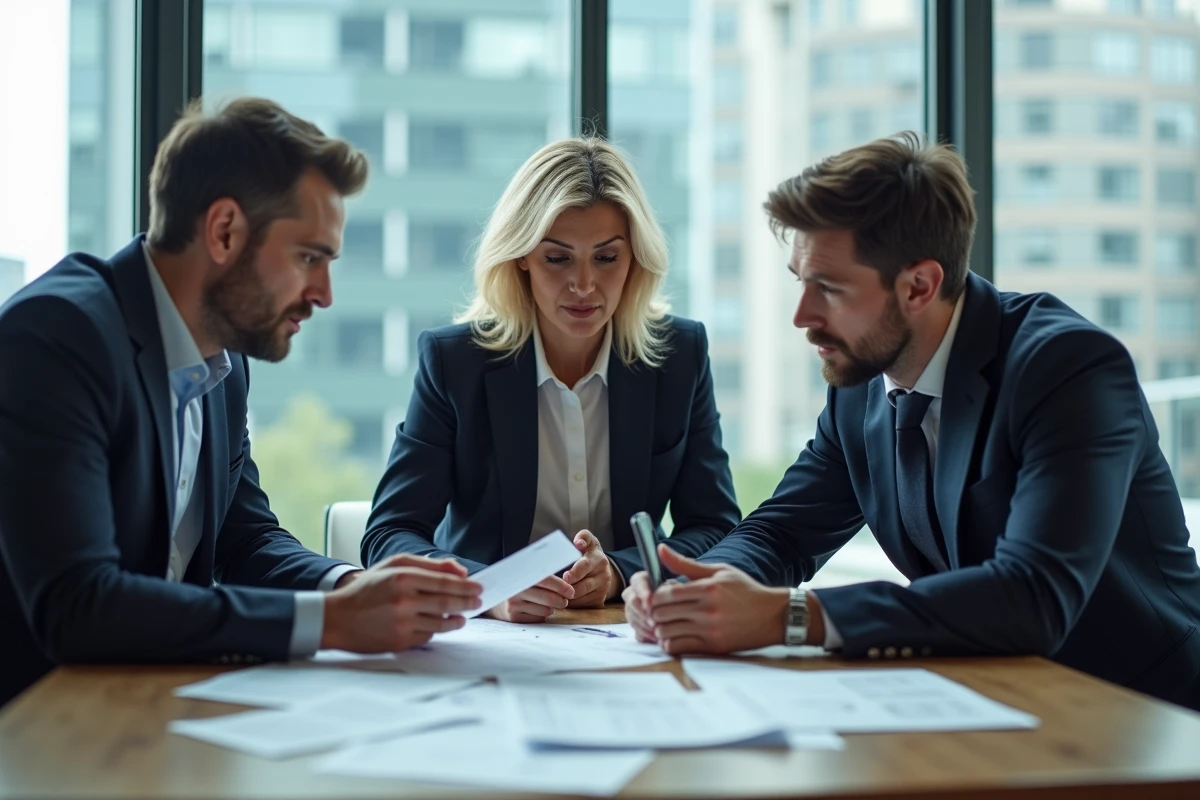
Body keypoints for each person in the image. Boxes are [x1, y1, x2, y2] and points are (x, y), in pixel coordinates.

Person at [623, 132, 1200, 711]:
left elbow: (1033, 596)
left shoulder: (1068, 369)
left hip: (1140, 714)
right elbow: (782, 531)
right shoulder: (863, 382)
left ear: (920, 286)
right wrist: (694, 590)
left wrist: (792, 617)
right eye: (800, 280)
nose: (802, 316)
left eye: (829, 288)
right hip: (986, 699)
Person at [0, 97, 482, 707]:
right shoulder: (58, 336)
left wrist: (354, 585)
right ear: (224, 231)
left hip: (160, 701)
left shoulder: (223, 362)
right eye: (310, 257)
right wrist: (329, 623)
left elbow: (243, 538)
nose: (325, 295)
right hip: (40, 728)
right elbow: (79, 603)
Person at [361, 137, 740, 623]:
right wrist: (488, 590)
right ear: (520, 256)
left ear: (635, 260)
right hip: (493, 641)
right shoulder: (455, 362)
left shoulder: (679, 356)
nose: (583, 285)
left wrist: (619, 575)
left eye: (606, 258)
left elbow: (715, 527)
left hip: (624, 635)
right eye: (557, 259)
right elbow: (390, 534)